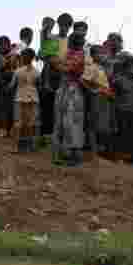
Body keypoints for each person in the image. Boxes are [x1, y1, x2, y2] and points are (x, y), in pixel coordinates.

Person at [53, 32, 87, 167]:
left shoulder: (79, 54)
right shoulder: (70, 53)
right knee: (63, 121)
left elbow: (67, 68)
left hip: (72, 89)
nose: (79, 43)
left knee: (71, 121)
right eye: (78, 40)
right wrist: (60, 66)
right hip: (66, 88)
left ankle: (73, 154)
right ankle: (63, 153)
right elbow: (63, 68)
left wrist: (59, 65)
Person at [39, 14, 72, 136]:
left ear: (69, 26)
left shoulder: (71, 42)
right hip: (50, 73)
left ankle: (58, 133)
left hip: (64, 75)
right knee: (47, 104)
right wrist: (45, 28)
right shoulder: (51, 38)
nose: (64, 28)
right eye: (62, 25)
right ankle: (45, 134)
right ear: (58, 25)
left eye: (67, 26)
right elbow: (44, 56)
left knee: (61, 106)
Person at [112, 56, 133, 165]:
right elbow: (113, 94)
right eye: (132, 67)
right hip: (122, 110)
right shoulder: (118, 80)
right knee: (122, 134)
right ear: (125, 68)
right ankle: (120, 157)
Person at [9, 48, 39, 153]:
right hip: (33, 98)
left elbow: (12, 85)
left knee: (18, 122)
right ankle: (29, 146)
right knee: (30, 123)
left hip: (20, 98)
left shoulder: (18, 71)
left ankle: (16, 146)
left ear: (23, 57)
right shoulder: (36, 72)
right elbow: (38, 85)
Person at [0, 36, 16, 137]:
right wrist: (3, 84)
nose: (5, 46)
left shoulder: (12, 56)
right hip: (0, 86)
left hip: (10, 86)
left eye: (7, 44)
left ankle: (8, 130)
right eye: (2, 44)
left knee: (9, 109)